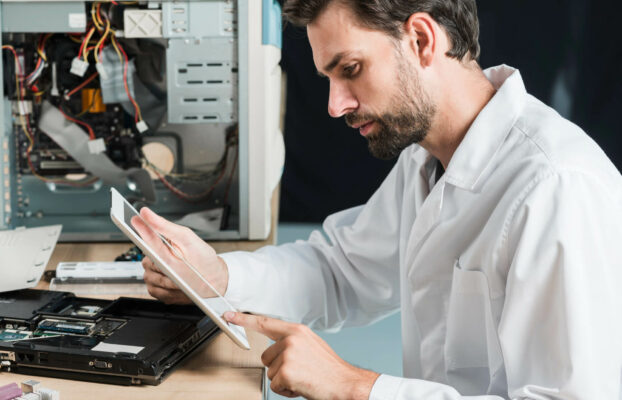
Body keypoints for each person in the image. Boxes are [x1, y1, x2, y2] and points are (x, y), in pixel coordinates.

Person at [132, 0, 622, 399]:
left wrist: (356, 386)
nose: (334, 104)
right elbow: (342, 272)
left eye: (351, 69)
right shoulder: (428, 156)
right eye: (328, 78)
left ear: (423, 40)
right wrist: (218, 275)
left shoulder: (556, 188)